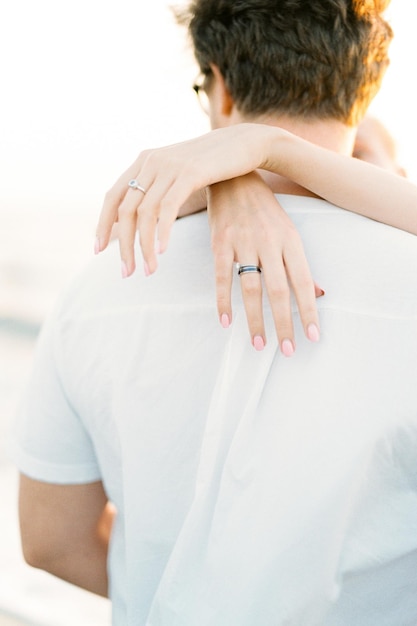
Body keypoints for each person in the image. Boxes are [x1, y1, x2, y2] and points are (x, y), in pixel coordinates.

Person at [10, 1, 417, 625]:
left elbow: (50, 540)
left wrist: (173, 579)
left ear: (218, 85)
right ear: (364, 89)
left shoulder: (99, 289)